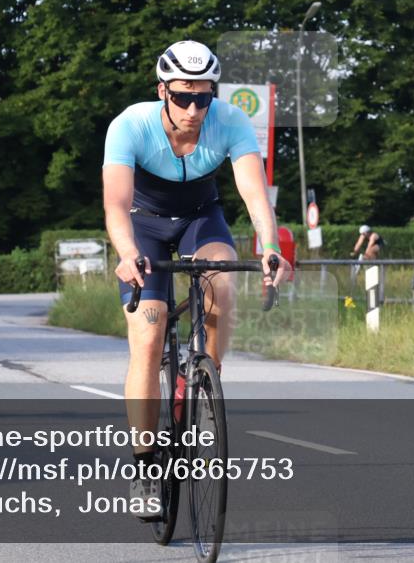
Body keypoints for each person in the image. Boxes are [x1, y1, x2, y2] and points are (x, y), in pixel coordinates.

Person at [102, 40, 290, 518]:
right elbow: (116, 205)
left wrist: (269, 249)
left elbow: (253, 195)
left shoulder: (229, 121)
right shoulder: (130, 124)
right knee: (148, 334)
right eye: (183, 97)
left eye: (203, 97)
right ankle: (145, 468)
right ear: (162, 89)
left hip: (200, 218)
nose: (193, 108)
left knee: (221, 282)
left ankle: (206, 383)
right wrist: (127, 254)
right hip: (142, 224)